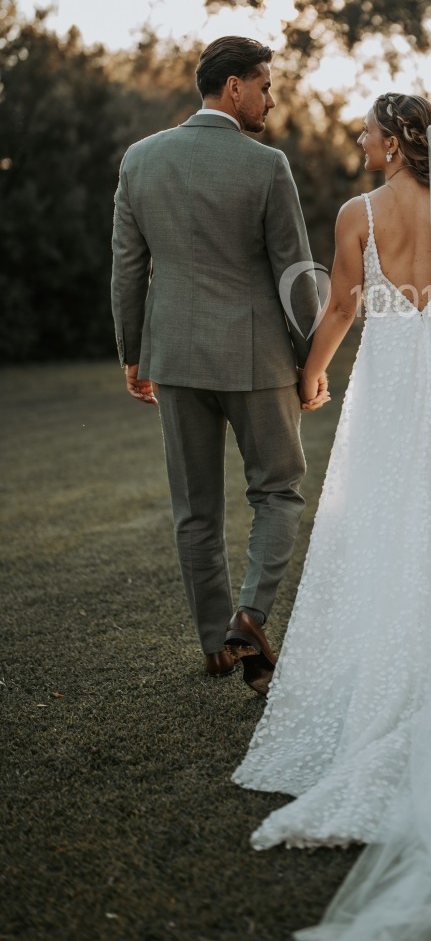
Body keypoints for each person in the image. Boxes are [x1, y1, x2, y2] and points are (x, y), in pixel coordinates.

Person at [232, 92, 431, 940]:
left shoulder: (357, 212)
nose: (357, 142)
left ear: (391, 142)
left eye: (365, 133)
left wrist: (310, 376)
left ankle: (389, 664)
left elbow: (340, 306)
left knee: (381, 518)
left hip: (393, 382)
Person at [110, 36, 326, 695]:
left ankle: (215, 646)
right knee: (279, 491)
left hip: (174, 357)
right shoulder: (266, 166)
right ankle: (249, 619)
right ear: (233, 88)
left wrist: (134, 353)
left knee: (194, 508)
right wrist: (309, 360)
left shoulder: (140, 159)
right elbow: (294, 272)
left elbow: (127, 265)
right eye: (264, 85)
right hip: (256, 358)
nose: (269, 98)